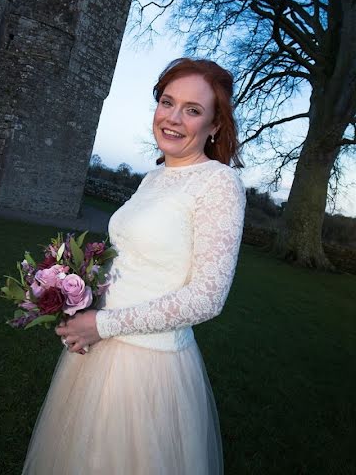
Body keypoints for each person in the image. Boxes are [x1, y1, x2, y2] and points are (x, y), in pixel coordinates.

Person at [21, 58, 246, 475]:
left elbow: (208, 298)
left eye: (193, 110)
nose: (173, 118)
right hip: (99, 344)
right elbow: (131, 260)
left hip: (148, 365)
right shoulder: (154, 177)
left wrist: (100, 325)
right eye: (167, 102)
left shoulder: (219, 183)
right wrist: (74, 294)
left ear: (215, 126)